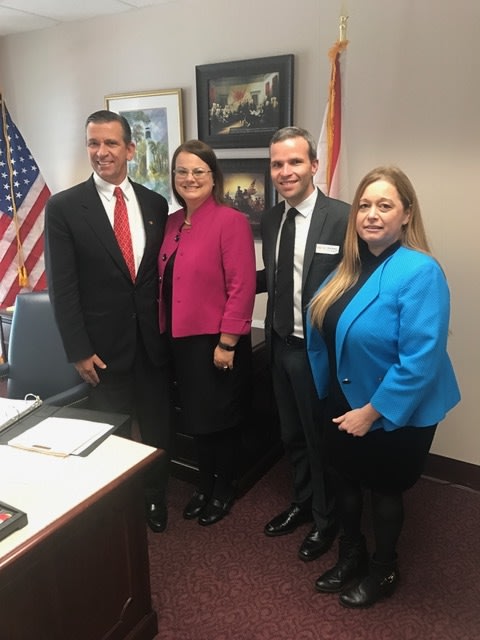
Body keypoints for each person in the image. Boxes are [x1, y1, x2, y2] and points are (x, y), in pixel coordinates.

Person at [306, 166, 460, 607]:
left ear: (407, 214)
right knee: (346, 481)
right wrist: (326, 393)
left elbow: (420, 360)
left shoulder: (420, 271)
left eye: (385, 205)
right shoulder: (347, 266)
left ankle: (383, 569)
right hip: (342, 397)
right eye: (364, 205)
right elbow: (324, 331)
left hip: (395, 407)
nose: (372, 214)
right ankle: (350, 554)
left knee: (384, 490)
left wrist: (372, 412)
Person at [45, 110, 172, 533]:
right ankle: (117, 505)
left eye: (111, 143)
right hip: (101, 351)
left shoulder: (155, 203)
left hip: (152, 346)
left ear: (130, 149)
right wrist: (78, 351)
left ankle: (156, 499)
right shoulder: (64, 208)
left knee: (157, 429)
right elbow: (62, 288)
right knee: (111, 433)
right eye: (93, 144)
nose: (101, 153)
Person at [257, 127, 349, 560]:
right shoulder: (272, 218)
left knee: (319, 440)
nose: (285, 171)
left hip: (318, 353)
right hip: (280, 347)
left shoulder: (343, 217)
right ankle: (303, 503)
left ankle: (326, 520)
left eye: (295, 162)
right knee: (290, 434)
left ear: (314, 165)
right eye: (277, 163)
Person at [158, 139, 256, 526]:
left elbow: (242, 285)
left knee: (219, 421)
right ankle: (203, 485)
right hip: (178, 339)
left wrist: (228, 341)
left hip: (216, 342)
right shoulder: (170, 223)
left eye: (199, 170)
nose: (189, 178)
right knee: (197, 421)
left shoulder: (230, 222)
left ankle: (223, 489)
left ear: (214, 177)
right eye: (182, 170)